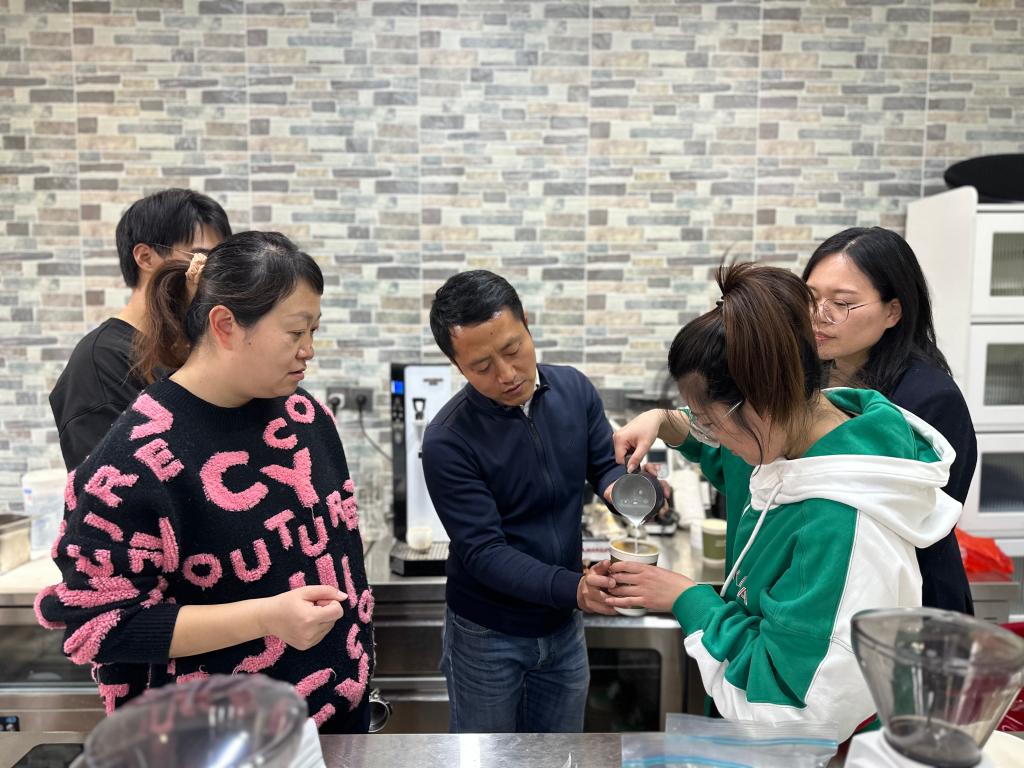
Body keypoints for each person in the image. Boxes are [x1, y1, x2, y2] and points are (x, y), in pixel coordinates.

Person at [588, 262, 961, 741]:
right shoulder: (801, 433)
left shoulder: (841, 525)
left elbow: (791, 711)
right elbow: (730, 452)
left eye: (710, 422)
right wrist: (664, 421)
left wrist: (686, 598)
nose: (709, 436)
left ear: (762, 401)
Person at [35, 232, 373, 733]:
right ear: (225, 325)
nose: (309, 350)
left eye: (313, 330)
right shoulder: (137, 458)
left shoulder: (305, 417)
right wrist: (266, 617)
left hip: (335, 724)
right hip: (212, 740)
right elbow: (100, 626)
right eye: (295, 332)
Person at [422, 269, 625, 734]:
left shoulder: (574, 390)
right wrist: (575, 588)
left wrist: (628, 491)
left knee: (559, 758)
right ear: (457, 366)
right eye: (481, 366)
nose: (507, 374)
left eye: (512, 349)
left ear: (526, 323)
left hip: (563, 626)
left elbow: (605, 467)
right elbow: (485, 552)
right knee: (487, 761)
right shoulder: (447, 440)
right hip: (487, 635)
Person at [802, 226, 976, 614]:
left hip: (908, 601)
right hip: (837, 586)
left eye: (841, 303)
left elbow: (919, 521)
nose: (818, 315)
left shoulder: (930, 398)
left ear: (893, 311)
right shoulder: (818, 375)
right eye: (810, 298)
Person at [49, 188, 231, 470]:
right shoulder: (100, 363)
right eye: (200, 258)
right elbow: (112, 484)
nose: (210, 273)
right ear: (145, 257)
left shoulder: (197, 345)